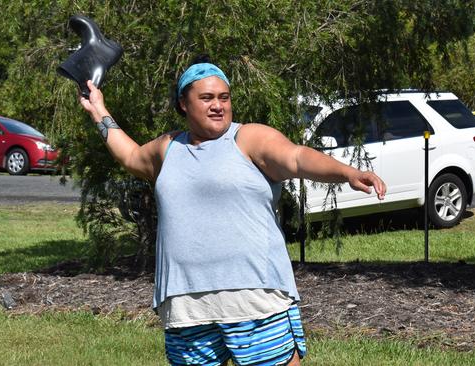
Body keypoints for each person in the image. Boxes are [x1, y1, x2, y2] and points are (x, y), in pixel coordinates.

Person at [79, 56, 386, 366]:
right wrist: (98, 111)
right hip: (186, 307)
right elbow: (131, 156)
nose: (218, 106)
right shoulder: (168, 147)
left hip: (253, 300)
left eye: (224, 98)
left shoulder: (248, 138)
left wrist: (345, 172)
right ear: (183, 103)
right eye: (207, 98)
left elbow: (296, 158)